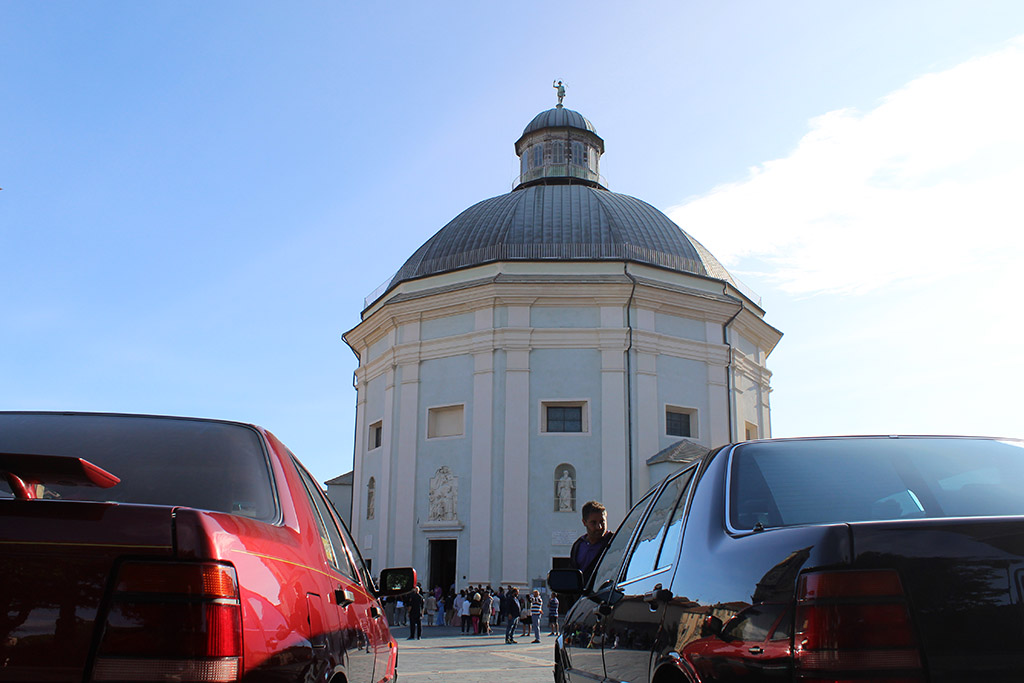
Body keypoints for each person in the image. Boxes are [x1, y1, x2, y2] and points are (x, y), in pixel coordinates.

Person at [570, 500, 614, 586]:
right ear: (584, 522)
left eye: (602, 522)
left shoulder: (614, 543)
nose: (599, 527)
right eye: (593, 523)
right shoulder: (578, 546)